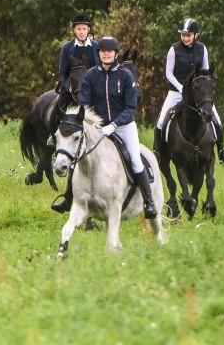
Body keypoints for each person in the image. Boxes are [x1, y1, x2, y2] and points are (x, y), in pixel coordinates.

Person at [51, 36, 158, 218]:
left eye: (110, 51)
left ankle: (149, 202)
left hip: (124, 126)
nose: (106, 54)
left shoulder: (125, 75)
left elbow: (131, 107)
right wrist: (91, 122)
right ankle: (69, 199)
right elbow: (84, 102)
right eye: (103, 51)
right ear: (98, 53)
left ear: (116, 54)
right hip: (99, 126)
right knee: (79, 155)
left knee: (135, 159)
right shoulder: (91, 75)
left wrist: (115, 125)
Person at [154, 18, 224, 164]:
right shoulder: (174, 49)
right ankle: (157, 151)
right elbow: (168, 73)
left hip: (198, 94)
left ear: (196, 35)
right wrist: (179, 87)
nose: (185, 38)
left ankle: (221, 150)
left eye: (188, 35)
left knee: (216, 119)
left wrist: (205, 88)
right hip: (176, 92)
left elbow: (206, 72)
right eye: (183, 35)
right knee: (161, 121)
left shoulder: (202, 49)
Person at [50, 14, 99, 137]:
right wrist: (69, 87)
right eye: (79, 29)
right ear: (74, 30)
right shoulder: (67, 48)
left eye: (84, 29)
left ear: (88, 30)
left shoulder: (97, 46)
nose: (81, 32)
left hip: (94, 87)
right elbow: (62, 73)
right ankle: (53, 135)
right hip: (73, 87)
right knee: (58, 106)